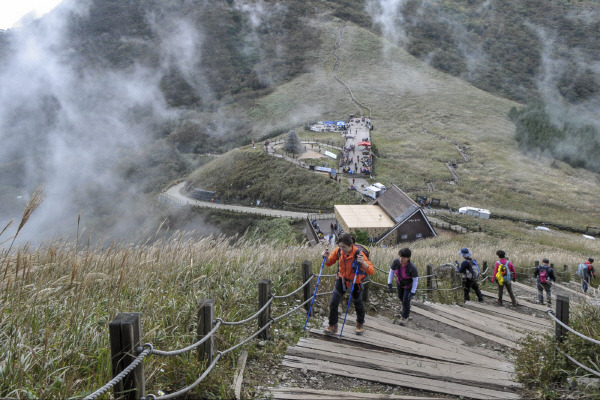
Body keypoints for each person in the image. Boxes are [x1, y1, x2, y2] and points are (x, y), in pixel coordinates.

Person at [322, 233, 374, 335]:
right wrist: (325, 257)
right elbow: (329, 262)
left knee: (358, 302)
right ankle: (333, 325)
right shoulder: (338, 251)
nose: (341, 249)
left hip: (356, 281)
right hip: (342, 279)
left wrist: (363, 262)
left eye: (344, 247)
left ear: (351, 245)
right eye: (340, 246)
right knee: (333, 302)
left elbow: (371, 271)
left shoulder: (359, 254)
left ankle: (359, 323)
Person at [387, 248, 419, 326]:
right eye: (400, 257)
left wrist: (413, 292)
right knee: (400, 297)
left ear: (408, 258)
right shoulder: (396, 262)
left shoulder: (412, 268)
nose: (401, 259)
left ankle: (405, 316)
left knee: (406, 300)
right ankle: (405, 306)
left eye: (403, 258)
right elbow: (391, 271)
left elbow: (415, 280)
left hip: (409, 286)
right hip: (400, 283)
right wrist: (389, 283)